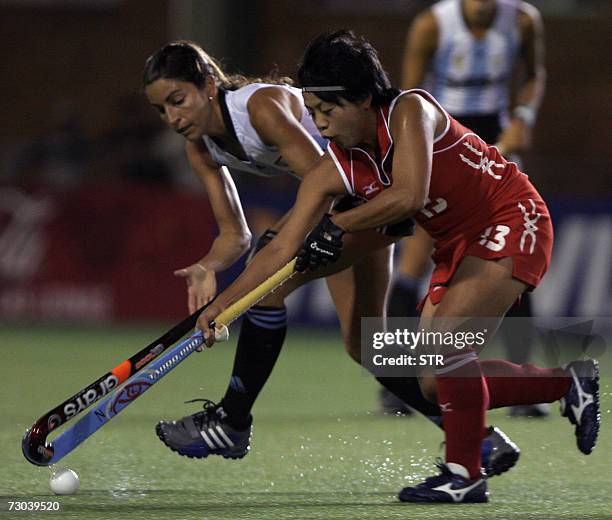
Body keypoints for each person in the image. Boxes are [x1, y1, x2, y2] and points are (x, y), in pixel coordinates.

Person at [196, 31, 600, 503]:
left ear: (364, 98)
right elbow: (279, 246)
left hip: (512, 219)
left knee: (444, 352)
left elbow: (408, 194)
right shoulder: (337, 167)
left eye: (329, 111)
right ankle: (567, 383)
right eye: (314, 113)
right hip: (457, 246)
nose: (321, 126)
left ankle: (464, 476)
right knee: (429, 377)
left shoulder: (411, 109)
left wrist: (337, 226)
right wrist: (223, 306)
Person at [143, 41, 519, 475]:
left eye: (178, 100)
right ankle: (477, 437)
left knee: (269, 285)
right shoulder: (202, 148)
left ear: (208, 85)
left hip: (369, 202)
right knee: (367, 346)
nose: (173, 118)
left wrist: (229, 301)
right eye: (162, 110)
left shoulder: (260, 109)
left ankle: (232, 420)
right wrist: (209, 267)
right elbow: (234, 234)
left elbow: (327, 180)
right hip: (356, 210)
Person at [382, 0, 549, 417]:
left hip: (494, 135)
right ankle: (397, 388)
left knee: (511, 260)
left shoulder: (525, 21)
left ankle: (524, 392)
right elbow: (409, 99)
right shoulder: (431, 25)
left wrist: (524, 115)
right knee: (413, 263)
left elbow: (534, 75)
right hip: (443, 137)